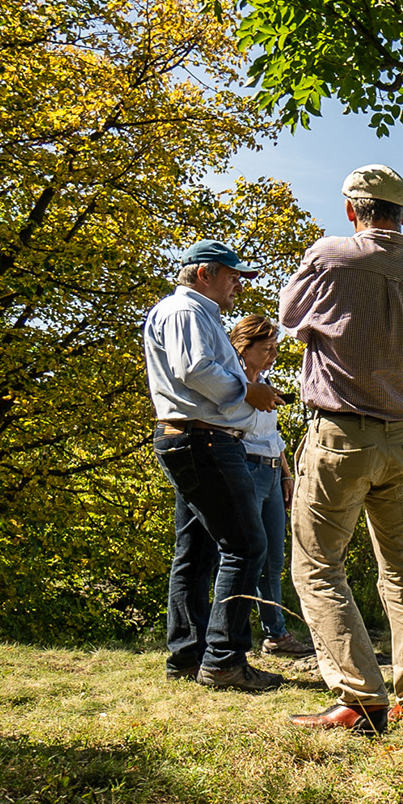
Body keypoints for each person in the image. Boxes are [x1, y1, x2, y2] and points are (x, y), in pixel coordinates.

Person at [279, 165, 403, 735]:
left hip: (341, 434)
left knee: (318, 566)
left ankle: (360, 698)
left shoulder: (332, 256)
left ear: (353, 209)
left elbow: (288, 320)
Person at [143, 240, 286, 693]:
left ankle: (188, 655)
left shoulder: (193, 312)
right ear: (205, 273)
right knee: (246, 546)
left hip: (190, 437)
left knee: (198, 551)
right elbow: (196, 368)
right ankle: (223, 660)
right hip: (202, 439)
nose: (239, 285)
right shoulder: (189, 311)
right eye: (233, 275)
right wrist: (249, 392)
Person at [226, 314, 314, 658]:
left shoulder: (265, 383)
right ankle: (232, 635)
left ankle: (276, 634)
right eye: (267, 348)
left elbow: (272, 436)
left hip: (272, 471)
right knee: (242, 554)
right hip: (244, 467)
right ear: (242, 348)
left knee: (273, 558)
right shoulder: (231, 383)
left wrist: (287, 474)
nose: (273, 354)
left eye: (276, 347)